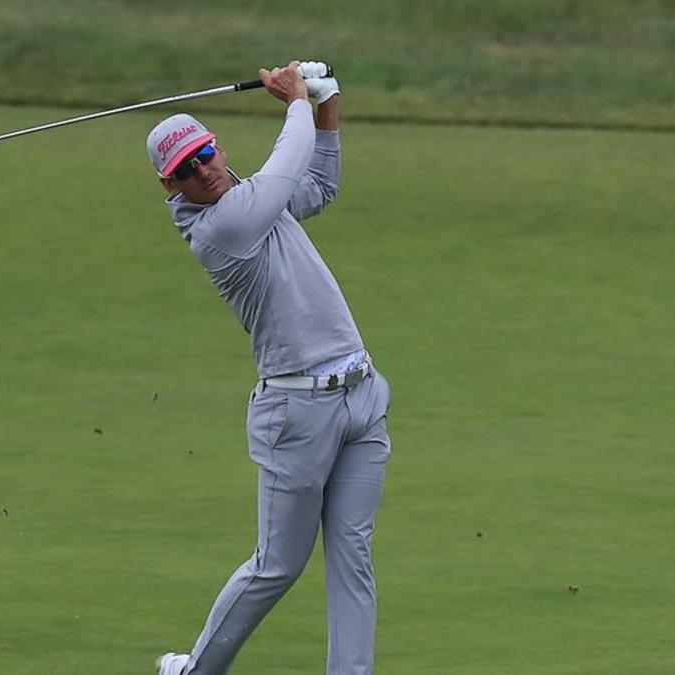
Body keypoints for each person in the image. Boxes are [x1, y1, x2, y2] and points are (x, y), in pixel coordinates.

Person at [148, 62, 391, 675]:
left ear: (216, 145)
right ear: (171, 187)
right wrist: (295, 101)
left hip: (361, 398)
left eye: (204, 153)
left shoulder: (253, 198)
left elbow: (316, 186)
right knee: (277, 565)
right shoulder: (223, 227)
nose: (203, 170)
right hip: (296, 414)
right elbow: (286, 166)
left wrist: (327, 101)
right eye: (187, 170)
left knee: (352, 557)